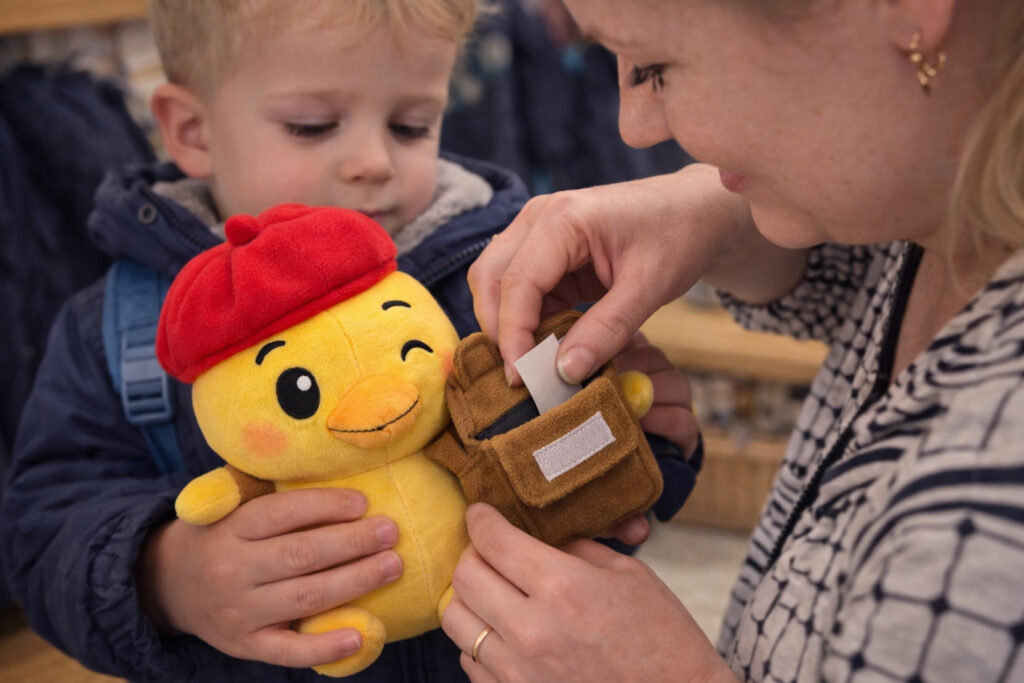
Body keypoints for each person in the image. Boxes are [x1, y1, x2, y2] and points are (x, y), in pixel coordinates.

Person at [0, 1, 696, 681]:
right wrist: (162, 574)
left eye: (411, 124)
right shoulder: (118, 327)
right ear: (192, 130)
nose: (373, 162)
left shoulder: (504, 283)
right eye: (312, 126)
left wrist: (649, 439)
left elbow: (603, 481)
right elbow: (40, 530)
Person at [443, 0, 1024, 680]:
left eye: (656, 67)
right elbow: (867, 279)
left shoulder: (987, 524)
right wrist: (720, 220)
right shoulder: (953, 217)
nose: (635, 127)